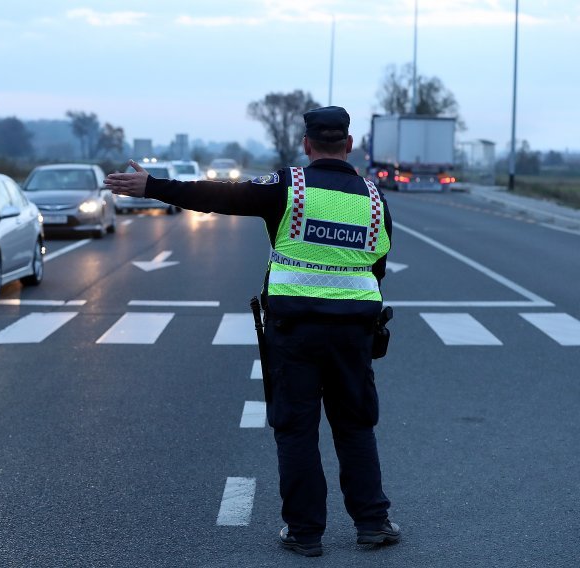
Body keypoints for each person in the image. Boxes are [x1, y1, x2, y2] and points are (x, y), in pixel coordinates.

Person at [104, 106, 399, 558]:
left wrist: (152, 188)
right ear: (350, 144)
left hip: (295, 330)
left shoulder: (290, 188)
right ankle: (373, 524)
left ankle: (304, 532)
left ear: (306, 144)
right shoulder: (375, 199)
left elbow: (219, 197)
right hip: (353, 334)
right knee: (356, 427)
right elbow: (377, 268)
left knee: (297, 429)